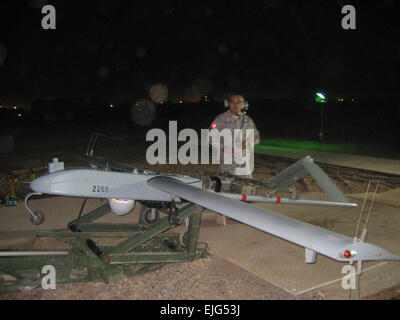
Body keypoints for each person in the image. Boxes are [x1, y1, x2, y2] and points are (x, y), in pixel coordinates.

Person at [209, 94, 260, 225]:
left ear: (244, 104)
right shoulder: (220, 119)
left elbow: (256, 137)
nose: (236, 105)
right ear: (228, 103)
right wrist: (225, 147)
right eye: (233, 102)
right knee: (224, 187)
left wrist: (247, 143)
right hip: (226, 161)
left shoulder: (248, 120)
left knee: (246, 187)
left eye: (239, 102)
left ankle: (241, 213)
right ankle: (221, 213)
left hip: (243, 161)